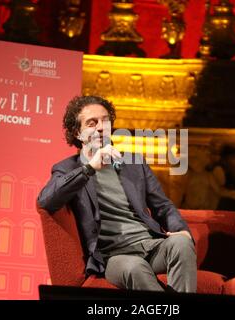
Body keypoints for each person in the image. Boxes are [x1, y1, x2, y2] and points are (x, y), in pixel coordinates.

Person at [37, 95, 197, 293]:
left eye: (105, 120)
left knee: (182, 243)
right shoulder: (68, 168)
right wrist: (89, 168)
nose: (101, 127)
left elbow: (162, 206)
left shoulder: (133, 162)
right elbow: (45, 200)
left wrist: (181, 230)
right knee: (135, 269)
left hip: (150, 245)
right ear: (78, 133)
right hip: (113, 257)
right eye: (92, 123)